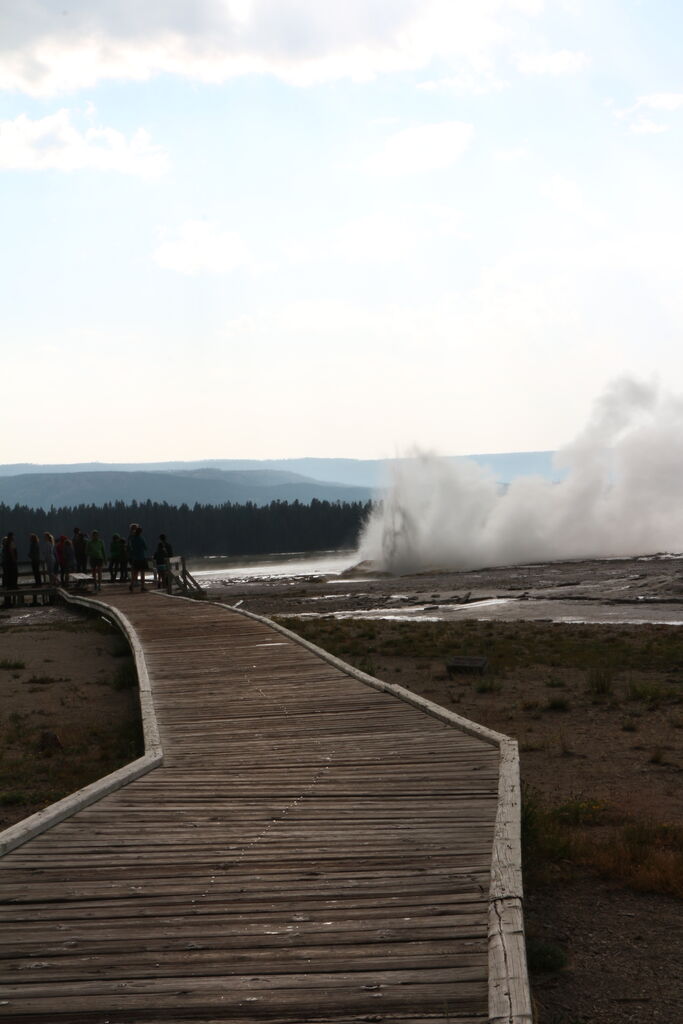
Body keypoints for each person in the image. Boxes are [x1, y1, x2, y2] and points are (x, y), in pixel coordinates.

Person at [128, 525, 148, 592]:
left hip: (135, 558)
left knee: (134, 573)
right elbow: (145, 547)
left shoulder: (133, 539)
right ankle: (142, 587)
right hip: (141, 557)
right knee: (142, 573)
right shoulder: (141, 539)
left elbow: (131, 547)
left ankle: (131, 585)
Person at [2, 533, 18, 607]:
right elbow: (12, 552)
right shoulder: (10, 543)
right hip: (11, 562)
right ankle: (13, 585)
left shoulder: (6, 544)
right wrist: (14, 559)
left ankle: (10, 585)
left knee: (9, 574)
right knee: (14, 573)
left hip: (8, 562)